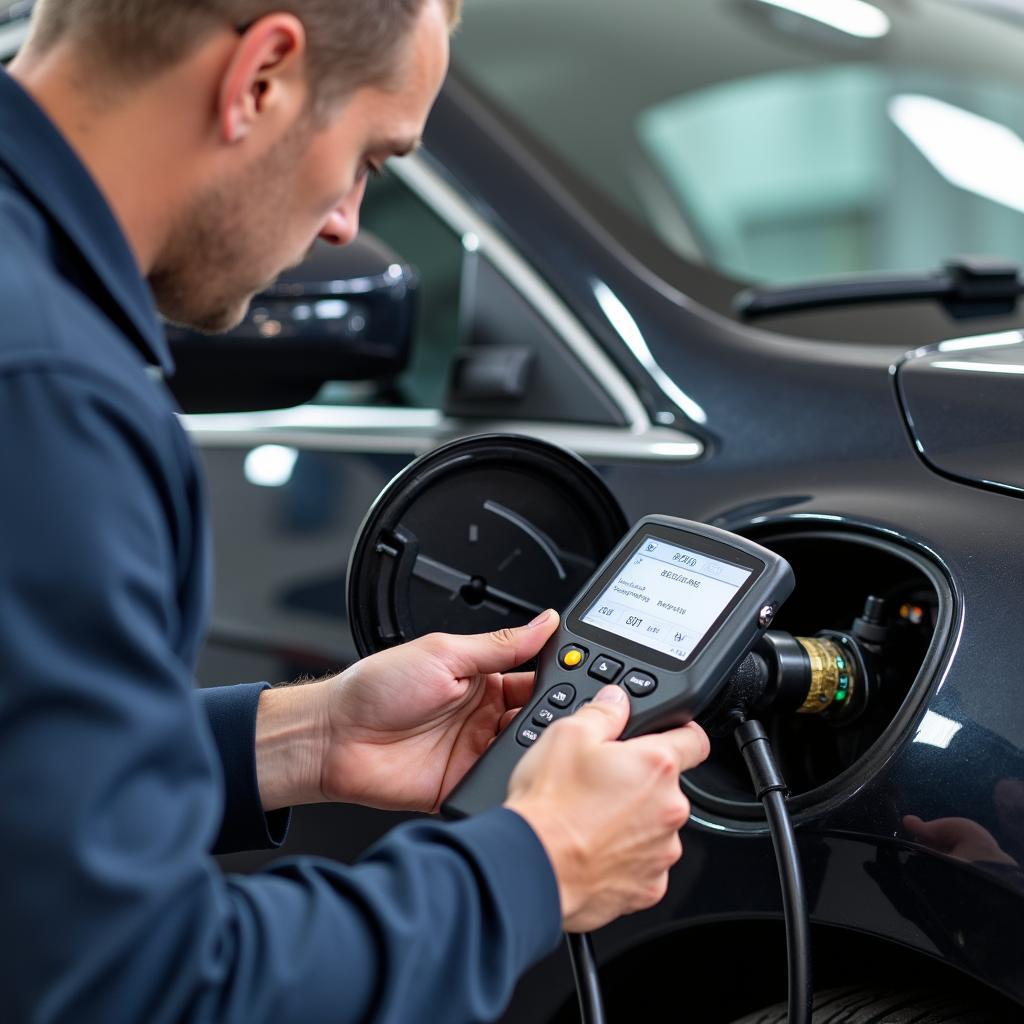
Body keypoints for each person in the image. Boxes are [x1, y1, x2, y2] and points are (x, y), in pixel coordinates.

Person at [0, 1, 711, 1021]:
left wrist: (303, 736)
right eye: (373, 156)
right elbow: (137, 988)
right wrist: (536, 865)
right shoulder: (50, 389)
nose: (345, 221)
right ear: (262, 77)